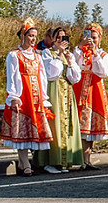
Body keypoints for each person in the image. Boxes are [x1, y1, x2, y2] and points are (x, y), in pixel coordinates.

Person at [0, 18, 53, 177]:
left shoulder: (38, 56)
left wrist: (44, 98)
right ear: (23, 36)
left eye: (35, 36)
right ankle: (25, 162)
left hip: (35, 97)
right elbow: (12, 76)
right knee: (21, 129)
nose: (33, 39)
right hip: (23, 95)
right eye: (30, 36)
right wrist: (14, 96)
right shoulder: (14, 55)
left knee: (33, 129)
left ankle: (24, 162)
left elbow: (42, 78)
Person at [34, 27, 83, 174]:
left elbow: (75, 78)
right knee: (54, 126)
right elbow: (52, 74)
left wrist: (70, 62)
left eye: (64, 38)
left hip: (67, 92)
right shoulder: (47, 53)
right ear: (53, 40)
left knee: (67, 125)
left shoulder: (69, 56)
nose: (62, 41)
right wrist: (59, 55)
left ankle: (65, 160)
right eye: (59, 38)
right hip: (54, 91)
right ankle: (50, 160)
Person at [73, 22, 108, 169]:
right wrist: (79, 47)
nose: (92, 40)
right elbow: (74, 66)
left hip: (94, 91)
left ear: (99, 38)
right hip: (79, 90)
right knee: (81, 126)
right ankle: (82, 158)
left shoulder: (102, 55)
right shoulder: (79, 53)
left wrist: (95, 53)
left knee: (91, 127)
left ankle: (87, 158)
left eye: (94, 37)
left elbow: (104, 72)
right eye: (89, 37)